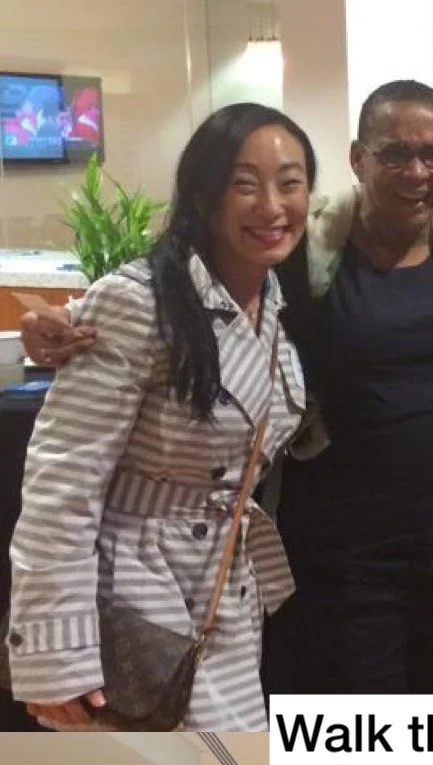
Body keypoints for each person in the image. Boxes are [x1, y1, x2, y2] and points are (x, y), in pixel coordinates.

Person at [7, 104, 315, 731]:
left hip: (221, 588)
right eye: (244, 183)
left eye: (290, 182)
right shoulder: (138, 300)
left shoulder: (275, 304)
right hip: (133, 597)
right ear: (203, 194)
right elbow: (61, 483)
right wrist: (58, 656)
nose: (272, 205)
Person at [266, 78, 433, 695]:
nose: (415, 171)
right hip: (343, 533)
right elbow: (196, 274)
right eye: (393, 153)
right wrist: (79, 319)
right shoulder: (305, 249)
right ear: (358, 159)